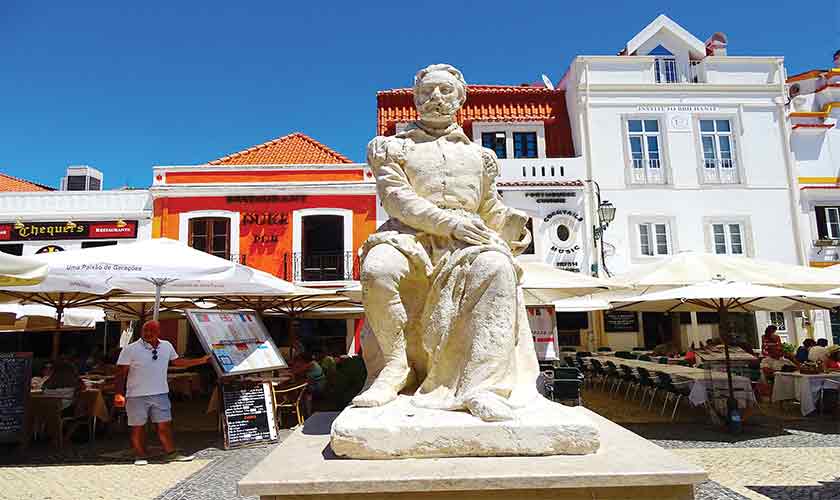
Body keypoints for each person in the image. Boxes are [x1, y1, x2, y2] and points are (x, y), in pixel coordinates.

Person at [356, 64, 536, 422]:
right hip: (409, 235)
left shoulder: (481, 157)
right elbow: (397, 198)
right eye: (427, 91)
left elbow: (489, 208)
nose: (435, 98)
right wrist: (449, 223)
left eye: (445, 91)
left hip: (467, 240)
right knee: (377, 269)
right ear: (415, 98)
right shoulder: (392, 148)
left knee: (498, 267)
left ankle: (481, 386)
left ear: (460, 98)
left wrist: (514, 227)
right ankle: (394, 368)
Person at [114, 320, 210, 465]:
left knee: (164, 425)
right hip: (136, 395)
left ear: (159, 332)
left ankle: (170, 453)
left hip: (160, 393)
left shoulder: (167, 346)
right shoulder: (130, 349)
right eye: (145, 330)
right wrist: (118, 394)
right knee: (137, 426)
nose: (148, 333)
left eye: (152, 331)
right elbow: (120, 373)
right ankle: (140, 455)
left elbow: (178, 362)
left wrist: (201, 361)